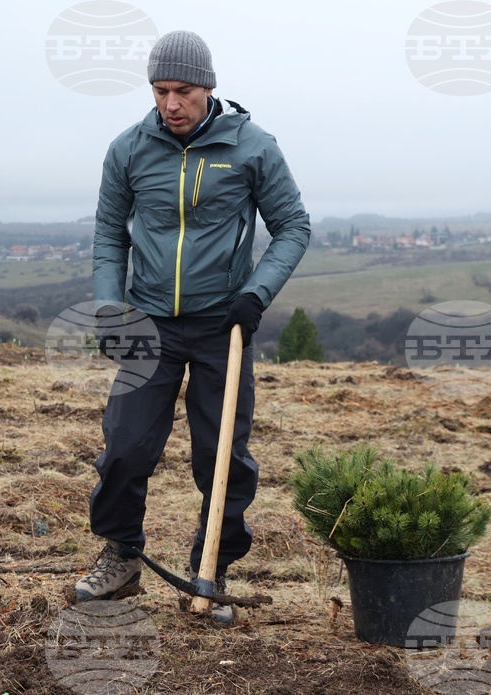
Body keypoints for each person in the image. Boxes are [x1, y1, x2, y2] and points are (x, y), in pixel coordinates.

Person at [73, 30, 311, 625]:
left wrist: (256, 294)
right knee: (125, 446)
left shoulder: (252, 147)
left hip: (221, 325)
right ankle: (122, 555)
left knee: (222, 457)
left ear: (209, 88)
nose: (171, 104)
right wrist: (109, 306)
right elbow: (108, 234)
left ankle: (213, 570)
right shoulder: (129, 149)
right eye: (160, 91)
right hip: (149, 321)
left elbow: (294, 227)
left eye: (183, 91)